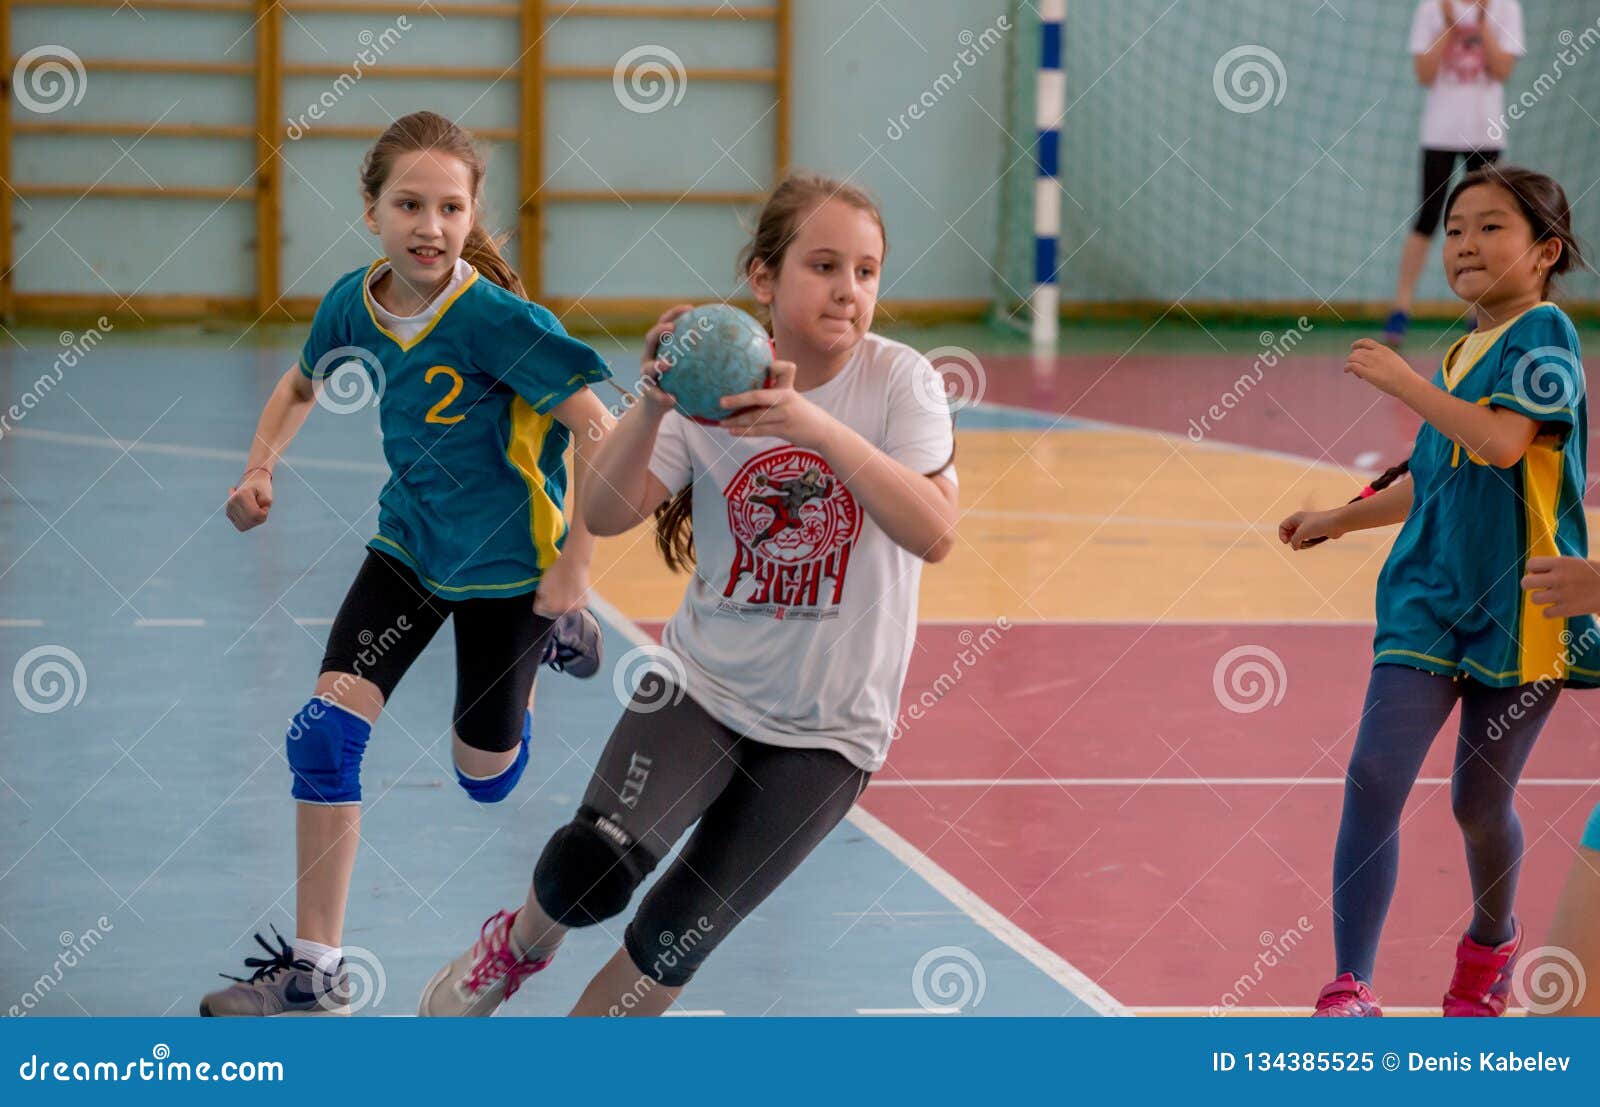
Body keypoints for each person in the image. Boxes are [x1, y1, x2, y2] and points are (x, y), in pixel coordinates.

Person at [416, 172, 960, 1017]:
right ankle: (519, 943)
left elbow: (934, 531)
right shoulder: (707, 377)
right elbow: (601, 510)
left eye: (866, 270)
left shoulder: (902, 384)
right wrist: (651, 408)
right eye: (824, 266)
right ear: (764, 278)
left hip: (832, 732)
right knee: (589, 869)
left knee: (673, 936)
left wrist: (809, 424)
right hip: (702, 687)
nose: (849, 291)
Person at [201, 111, 613, 1016]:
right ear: (372, 211)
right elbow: (301, 382)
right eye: (410, 204)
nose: (431, 226)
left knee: (486, 777)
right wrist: (260, 465)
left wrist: (575, 568)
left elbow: (603, 434)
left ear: (472, 217)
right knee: (322, 732)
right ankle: (314, 970)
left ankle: (549, 642)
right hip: (410, 550)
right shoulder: (355, 300)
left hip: (512, 571)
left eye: (451, 208)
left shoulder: (501, 322)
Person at [1282, 166, 1594, 1016]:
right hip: (1426, 595)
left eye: (1492, 228)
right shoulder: (1461, 350)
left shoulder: (1546, 334)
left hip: (1524, 606)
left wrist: (1405, 385)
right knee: (1375, 773)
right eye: (1455, 230)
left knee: (1477, 801)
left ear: (1545, 253)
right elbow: (1436, 472)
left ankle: (1491, 941)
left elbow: (1498, 444)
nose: (1464, 244)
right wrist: (1336, 521)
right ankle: (1351, 983)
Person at [1383, 0, 1524, 347]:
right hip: (1440, 132)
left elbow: (1502, 69)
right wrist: (1449, 25)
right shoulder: (1431, 7)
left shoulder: (1505, 6)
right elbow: (1425, 73)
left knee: (1485, 220)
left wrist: (1481, 20)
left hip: (1485, 131)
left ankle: (1478, 310)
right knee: (1429, 216)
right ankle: (1401, 307)